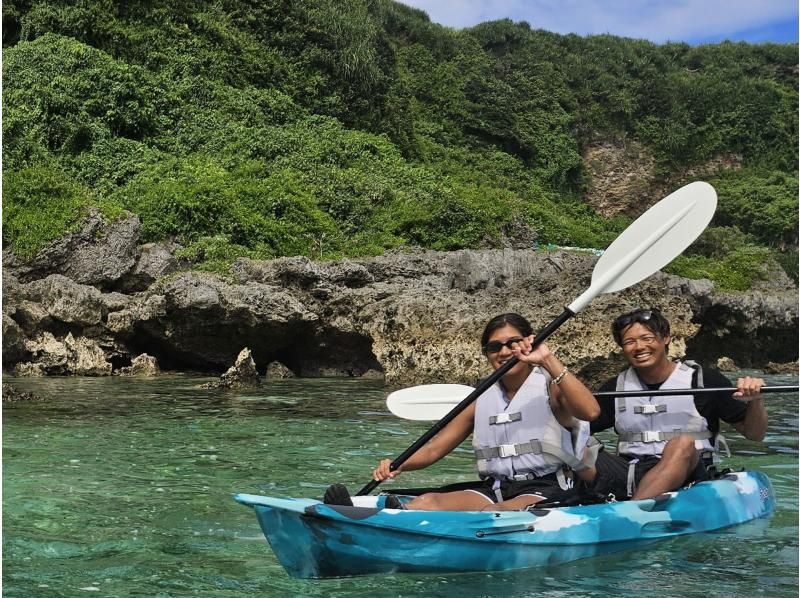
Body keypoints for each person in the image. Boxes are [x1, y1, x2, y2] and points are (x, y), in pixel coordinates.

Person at [328, 313, 601, 511]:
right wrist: (398, 465)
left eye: (512, 343)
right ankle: (381, 522)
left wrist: (547, 359)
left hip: (549, 487)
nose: (504, 351)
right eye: (494, 347)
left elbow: (590, 411)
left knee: (498, 513)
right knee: (426, 502)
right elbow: (434, 449)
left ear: (528, 343)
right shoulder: (480, 398)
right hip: (497, 488)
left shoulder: (551, 387)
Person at [587, 308, 766, 500]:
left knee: (683, 443)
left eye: (647, 338)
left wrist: (755, 400)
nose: (639, 347)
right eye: (630, 342)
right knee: (577, 444)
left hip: (689, 474)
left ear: (666, 338)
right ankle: (568, 498)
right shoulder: (615, 387)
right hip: (630, 471)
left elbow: (755, 434)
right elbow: (579, 427)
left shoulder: (704, 381)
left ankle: (633, 509)